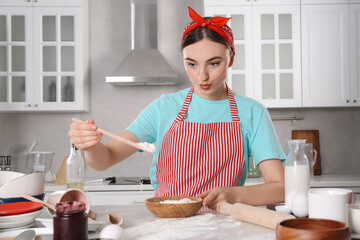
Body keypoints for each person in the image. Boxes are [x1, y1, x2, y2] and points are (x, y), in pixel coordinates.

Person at [68, 7, 286, 210]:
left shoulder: (252, 112)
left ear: (231, 60)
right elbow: (105, 159)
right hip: (167, 225)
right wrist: (89, 146)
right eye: (192, 64)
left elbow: (281, 187)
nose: (202, 76)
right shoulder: (165, 107)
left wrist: (233, 195)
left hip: (225, 227)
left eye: (214, 63)